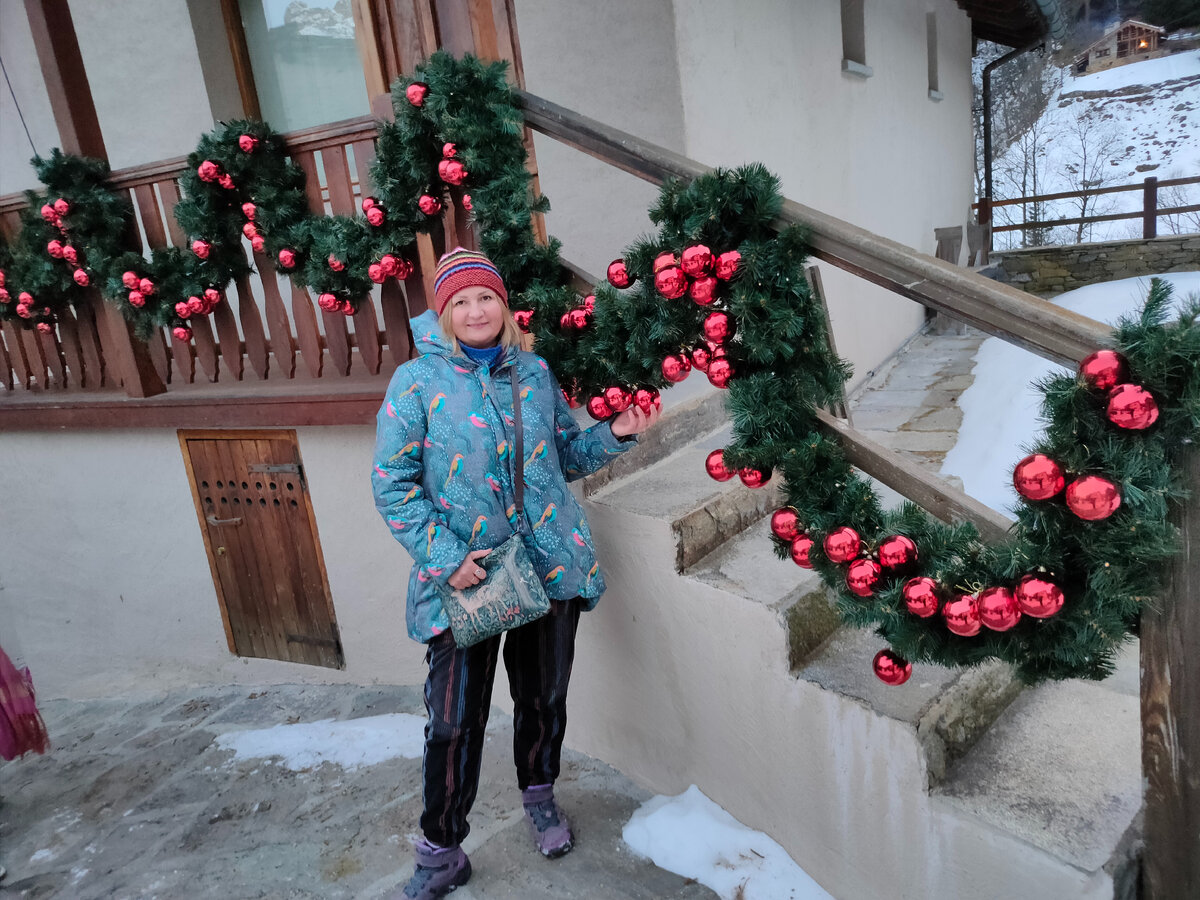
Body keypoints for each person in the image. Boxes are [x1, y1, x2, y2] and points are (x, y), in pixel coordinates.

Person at [372, 248, 659, 899]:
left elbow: (566, 456)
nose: (476, 310)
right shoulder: (416, 383)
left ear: (503, 306)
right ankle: (440, 847)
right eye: (462, 301)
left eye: (486, 298)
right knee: (454, 720)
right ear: (444, 313)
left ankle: (540, 795)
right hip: (468, 580)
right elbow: (392, 484)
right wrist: (448, 558)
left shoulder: (533, 372)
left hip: (550, 568)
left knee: (542, 698)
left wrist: (615, 432)